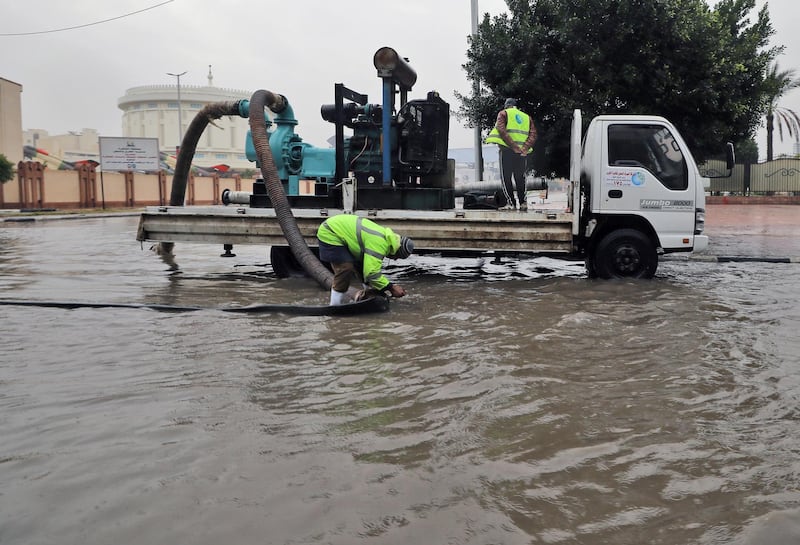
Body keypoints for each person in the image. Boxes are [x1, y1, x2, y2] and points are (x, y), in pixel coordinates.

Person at [316, 214, 414, 306]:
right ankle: (334, 305)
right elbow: (371, 273)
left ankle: (366, 296)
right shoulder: (380, 244)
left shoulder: (387, 239)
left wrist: (375, 291)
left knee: (362, 266)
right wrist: (391, 287)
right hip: (330, 232)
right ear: (396, 252)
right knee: (345, 269)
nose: (396, 260)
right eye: (398, 257)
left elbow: (366, 271)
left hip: (343, 234)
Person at [485, 98, 538, 211]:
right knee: (520, 178)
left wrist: (513, 147)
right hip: (522, 153)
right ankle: (523, 203)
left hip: (507, 151)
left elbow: (501, 129)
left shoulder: (503, 113)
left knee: (506, 178)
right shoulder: (526, 117)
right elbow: (533, 134)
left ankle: (511, 203)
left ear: (506, 106)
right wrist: (524, 148)